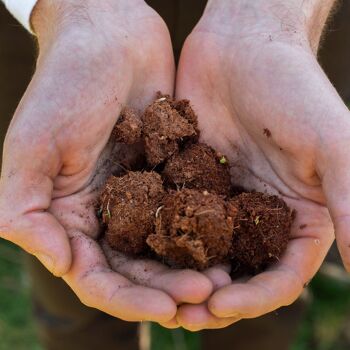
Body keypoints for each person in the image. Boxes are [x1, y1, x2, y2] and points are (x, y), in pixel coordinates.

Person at [0, 0, 349, 349]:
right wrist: (77, 10)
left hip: (278, 33)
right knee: (69, 269)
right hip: (63, 39)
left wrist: (272, 17)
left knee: (258, 304)